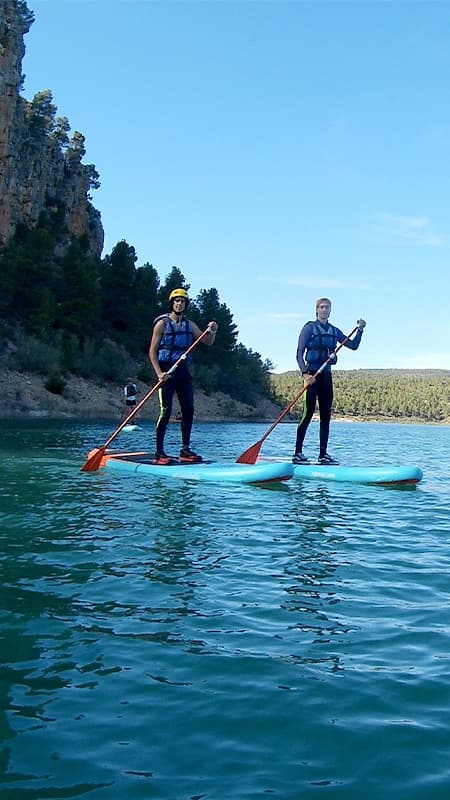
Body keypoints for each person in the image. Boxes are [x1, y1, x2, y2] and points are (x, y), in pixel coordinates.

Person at [148, 287, 219, 464]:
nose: (179, 304)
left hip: (182, 371)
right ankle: (159, 452)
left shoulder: (190, 325)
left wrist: (213, 331)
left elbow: (207, 342)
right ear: (172, 303)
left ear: (186, 304)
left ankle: (185, 449)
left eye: (182, 301)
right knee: (166, 411)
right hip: (166, 371)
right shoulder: (162, 324)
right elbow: (152, 351)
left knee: (188, 409)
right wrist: (159, 373)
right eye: (176, 301)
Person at [293, 298, 366, 465]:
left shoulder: (334, 331)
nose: (324, 310)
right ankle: (297, 453)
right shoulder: (309, 328)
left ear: (330, 311)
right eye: (322, 307)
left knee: (326, 415)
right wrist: (305, 374)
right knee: (308, 413)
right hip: (311, 376)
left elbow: (353, 345)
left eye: (327, 307)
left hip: (326, 377)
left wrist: (360, 330)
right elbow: (299, 353)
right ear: (317, 310)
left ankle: (323, 455)